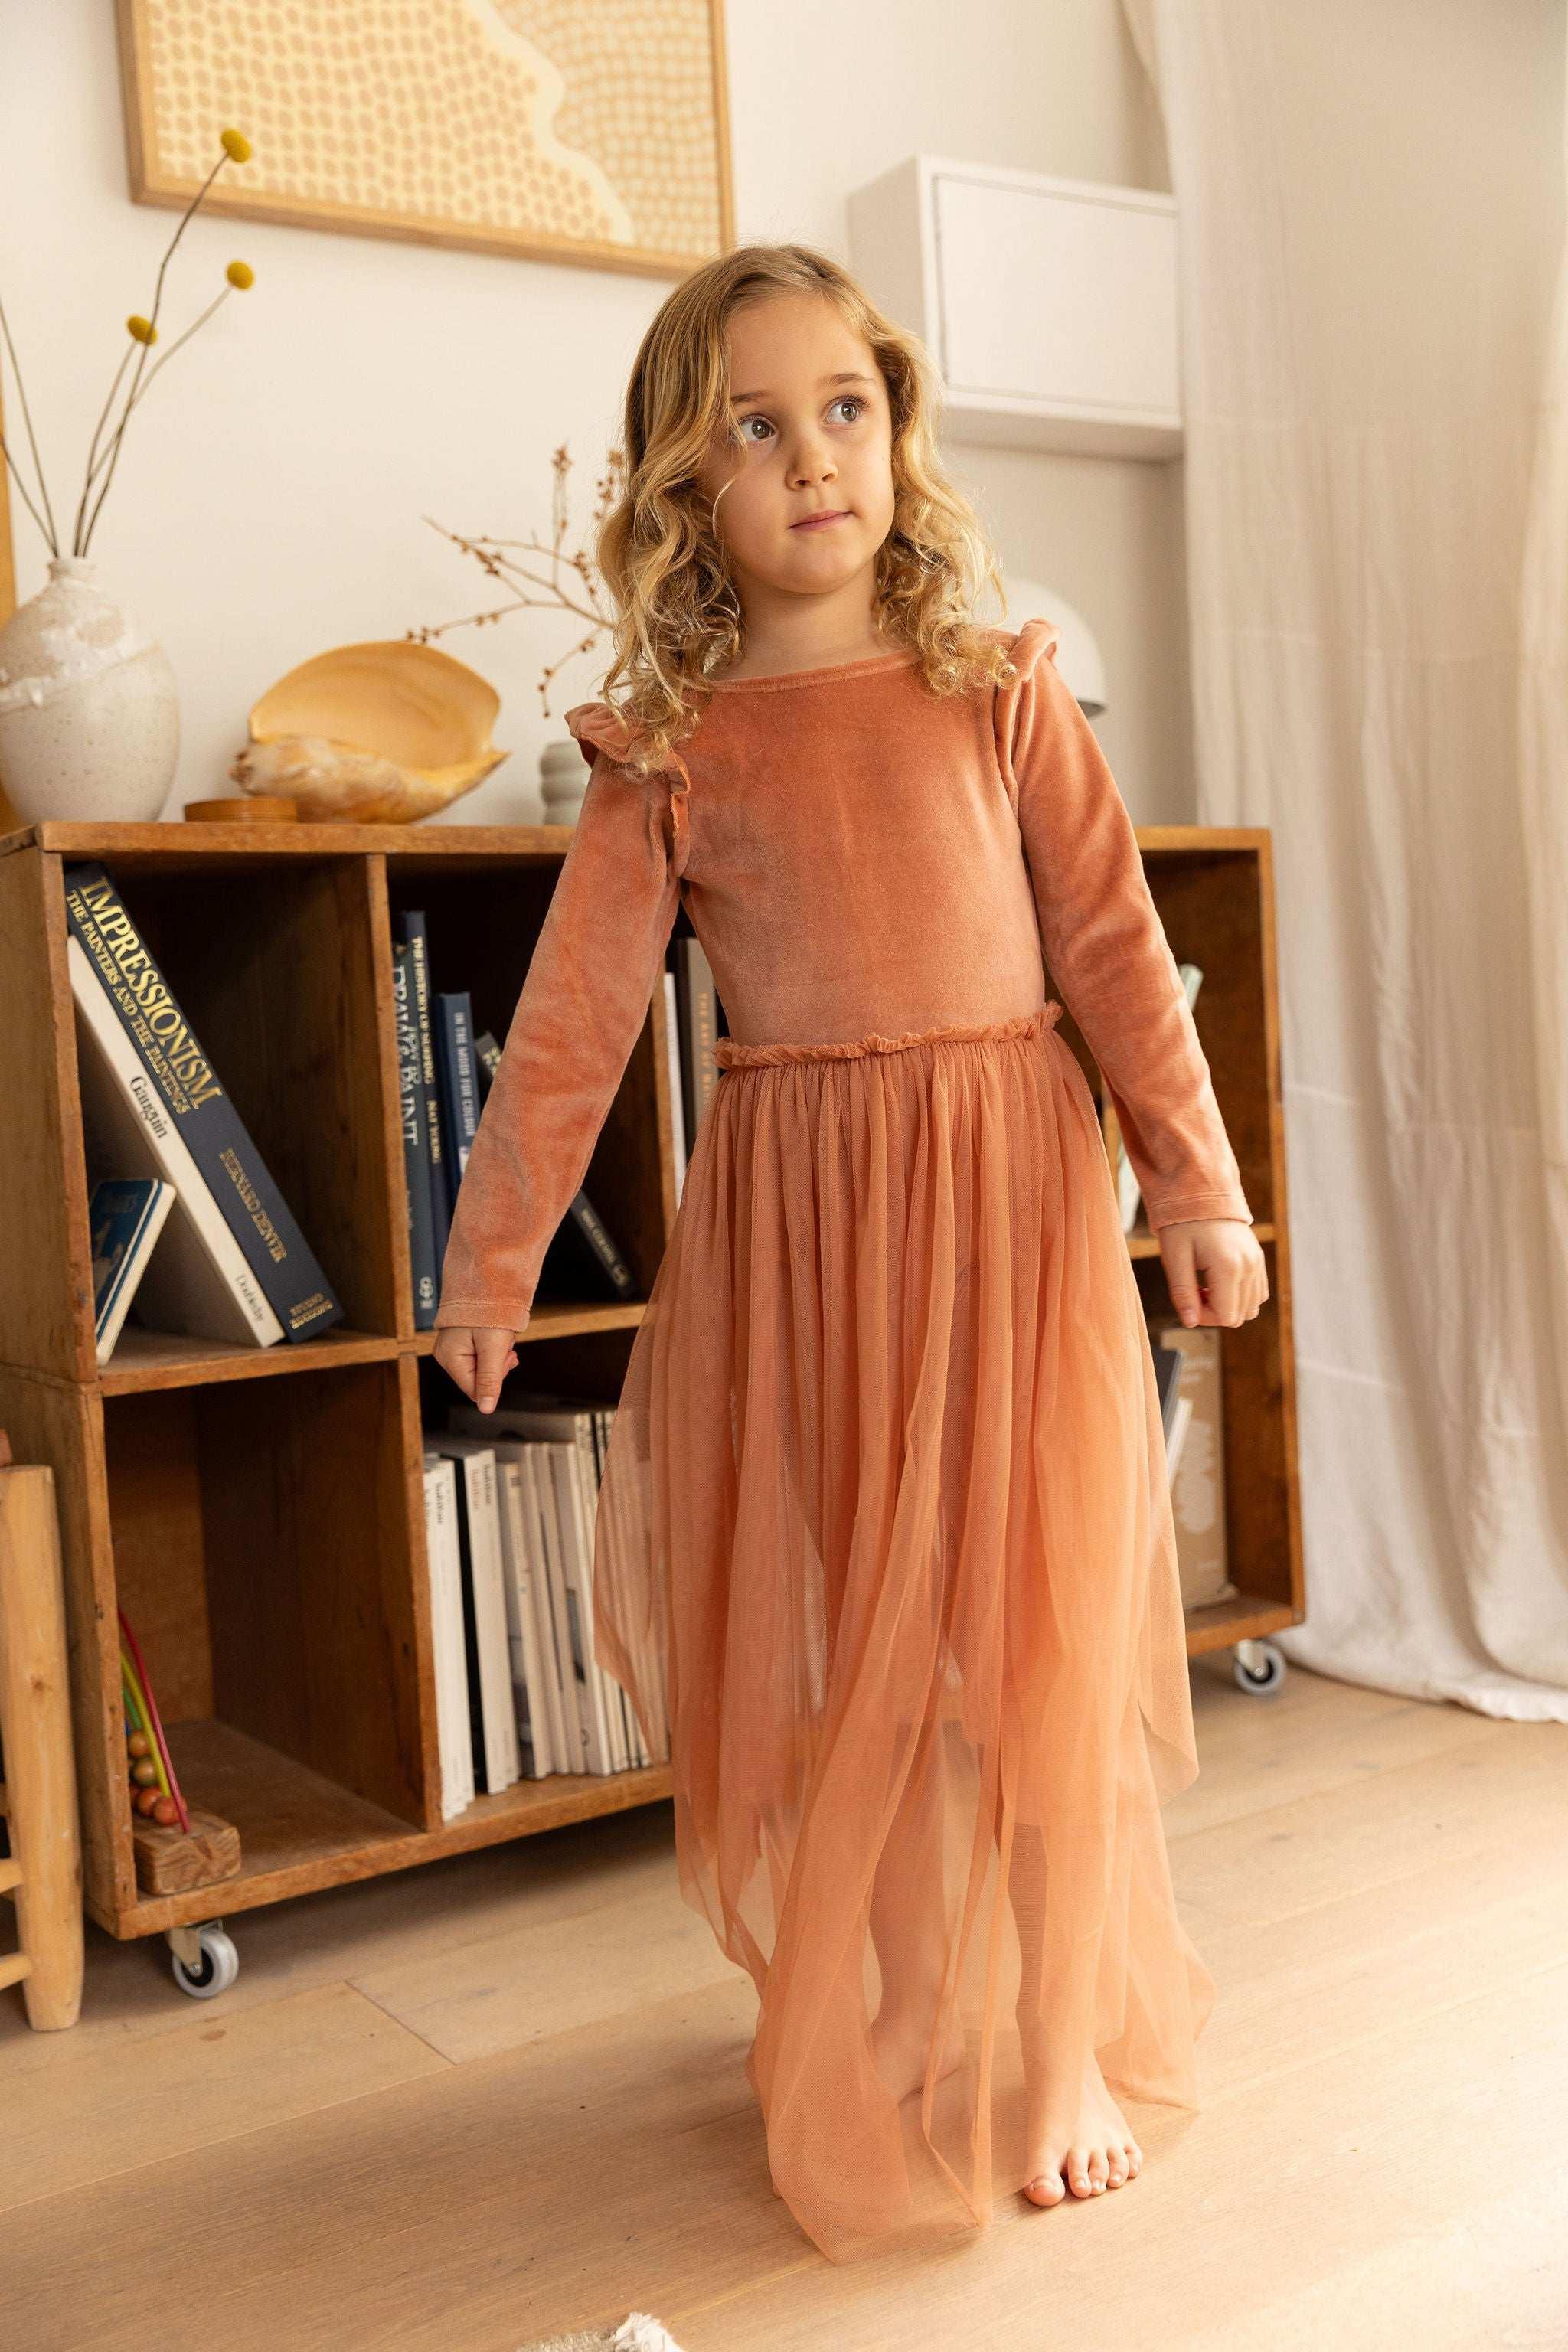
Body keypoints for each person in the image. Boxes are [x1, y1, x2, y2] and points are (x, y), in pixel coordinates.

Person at [432, 241, 1268, 2265]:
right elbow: (568, 1029)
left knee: (1040, 1656)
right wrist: (493, 1266)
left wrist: (1200, 1184)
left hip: (1013, 1217)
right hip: (803, 1249)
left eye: (846, 409)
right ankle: (899, 2001)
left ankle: (1056, 2050)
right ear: (685, 483)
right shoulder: (671, 748)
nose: (814, 457)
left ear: (896, 427)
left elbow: (1119, 955)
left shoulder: (998, 686)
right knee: (854, 1667)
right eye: (756, 426)